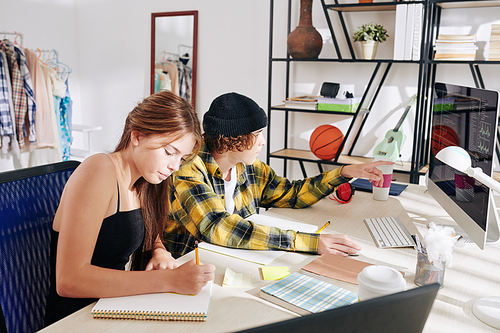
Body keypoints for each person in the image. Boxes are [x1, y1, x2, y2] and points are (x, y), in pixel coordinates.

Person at [44, 91, 215, 326]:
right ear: (137, 136)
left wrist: (159, 251)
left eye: (182, 158)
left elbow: (145, 229)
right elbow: (69, 279)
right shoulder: (99, 170)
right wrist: (169, 280)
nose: (175, 166)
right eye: (169, 152)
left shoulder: (144, 181)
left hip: (114, 310)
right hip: (77, 320)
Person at [164, 92, 393, 258]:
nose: (262, 142)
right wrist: (306, 242)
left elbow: (292, 194)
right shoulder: (188, 169)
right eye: (257, 134)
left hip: (229, 260)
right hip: (186, 268)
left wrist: (344, 173)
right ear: (230, 139)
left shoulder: (250, 167)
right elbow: (219, 227)